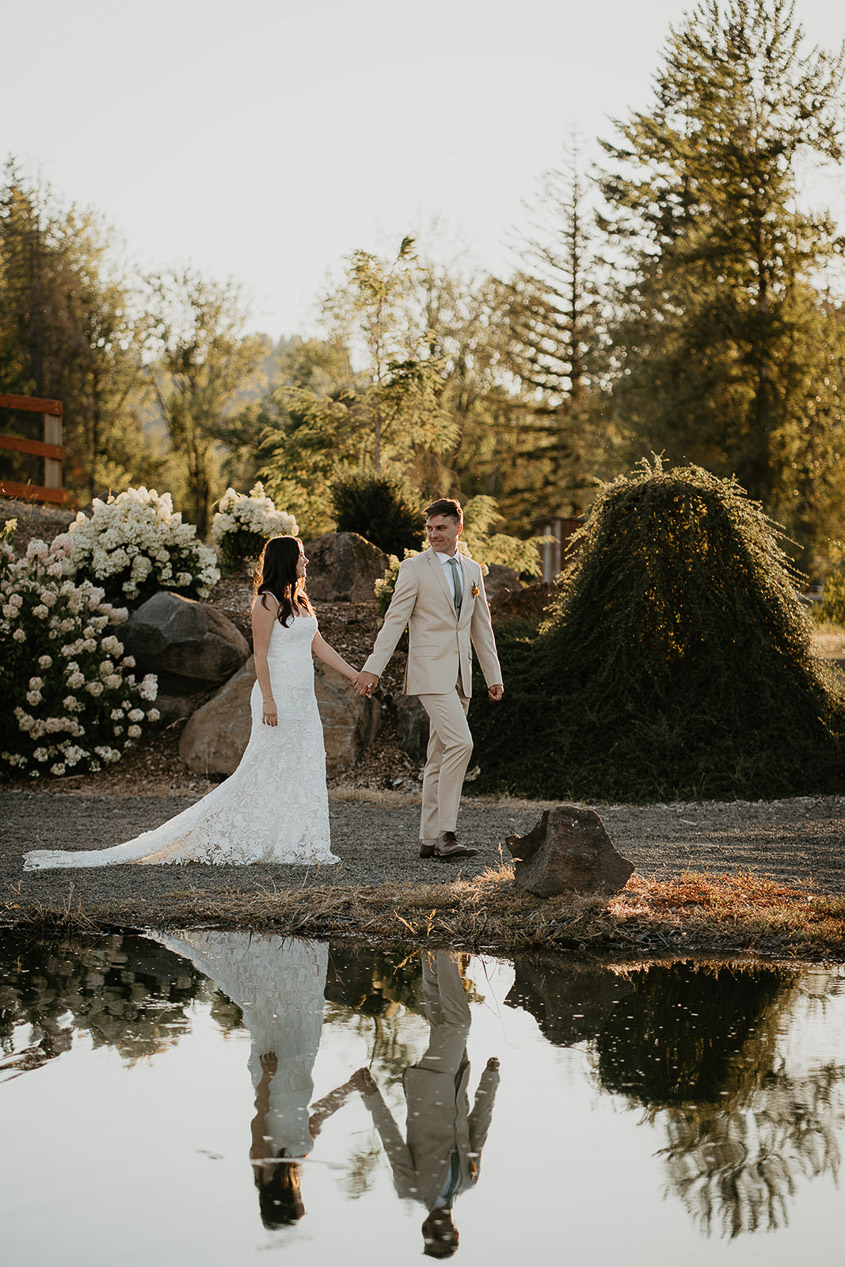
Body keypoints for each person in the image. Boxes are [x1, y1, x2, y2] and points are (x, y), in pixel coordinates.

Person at [23, 536, 356, 869]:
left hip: (303, 698)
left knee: (301, 765)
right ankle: (246, 833)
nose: (306, 561)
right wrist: (268, 699)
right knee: (261, 768)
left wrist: (356, 675)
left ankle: (294, 838)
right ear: (285, 560)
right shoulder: (266, 602)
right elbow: (260, 654)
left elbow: (320, 647)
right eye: (301, 555)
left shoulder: (300, 602)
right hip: (277, 695)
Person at [150, 931, 357, 1230]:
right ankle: (296, 951)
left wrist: (268, 1078)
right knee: (301, 1008)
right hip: (301, 1066)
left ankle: (271, 952)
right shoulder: (299, 1157)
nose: (302, 1196)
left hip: (273, 1079)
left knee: (268, 1009)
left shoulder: (263, 1165)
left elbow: (259, 1118)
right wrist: (353, 1087)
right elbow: (320, 1114)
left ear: (284, 1200)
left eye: (298, 1202)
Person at [355, 498, 503, 861]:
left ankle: (427, 839)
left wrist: (493, 675)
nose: (434, 534)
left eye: (441, 528)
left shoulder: (472, 570)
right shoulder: (413, 568)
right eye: (430, 529)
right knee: (461, 744)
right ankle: (447, 834)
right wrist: (373, 668)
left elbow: (480, 627)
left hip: (461, 675)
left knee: (439, 756)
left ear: (458, 529)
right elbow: (394, 621)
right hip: (429, 672)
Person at [352, 949, 501, 1259]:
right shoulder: (468, 1181)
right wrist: (490, 1079)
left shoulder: (412, 1187)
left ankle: (444, 948)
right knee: (441, 1016)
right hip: (455, 1079)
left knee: (458, 1023)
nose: (440, 1229)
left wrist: (371, 1094)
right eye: (447, 1235)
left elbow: (390, 1138)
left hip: (430, 1085)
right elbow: (479, 1128)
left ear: (425, 1230)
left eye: (434, 1235)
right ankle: (431, 948)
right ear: (455, 1231)